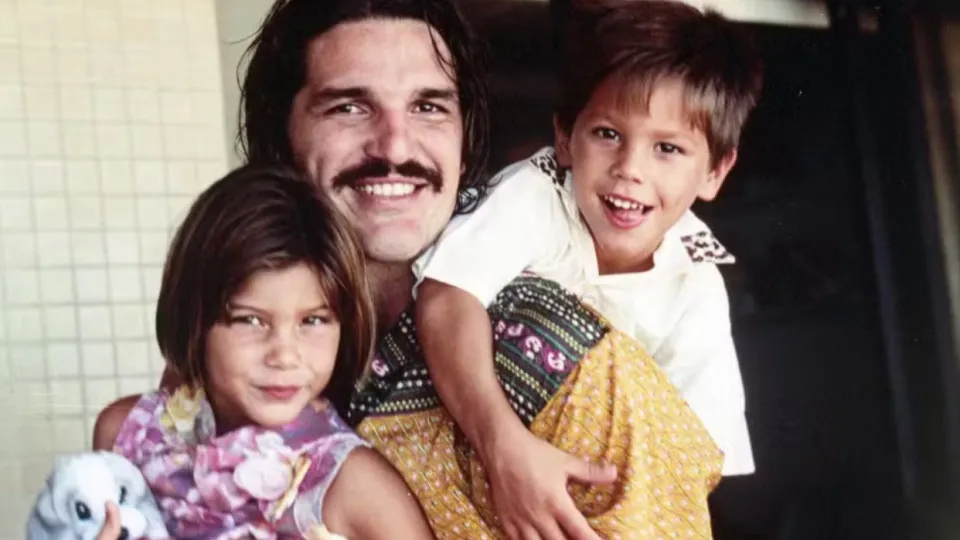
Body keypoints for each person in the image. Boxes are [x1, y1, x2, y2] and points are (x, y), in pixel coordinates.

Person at [92, 0, 749, 537]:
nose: (395, 146)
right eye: (349, 107)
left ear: (465, 138)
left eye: (429, 107)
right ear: (280, 137)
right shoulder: (242, 332)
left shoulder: (565, 358)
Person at [415, 0, 761, 478]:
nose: (630, 169)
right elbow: (446, 298)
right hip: (460, 446)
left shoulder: (694, 281)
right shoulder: (535, 198)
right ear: (565, 138)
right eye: (607, 134)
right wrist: (506, 448)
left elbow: (701, 452)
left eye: (667, 148)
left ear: (715, 171)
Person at [92, 165, 435, 539]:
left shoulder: (354, 488)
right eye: (251, 321)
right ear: (194, 319)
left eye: (313, 321)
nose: (285, 356)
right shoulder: (126, 435)